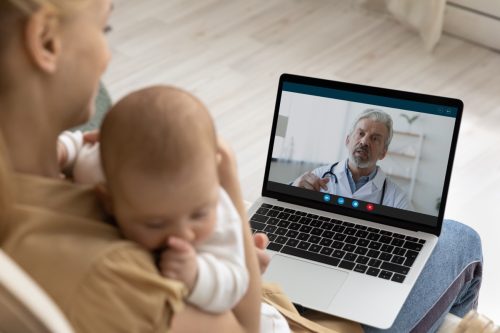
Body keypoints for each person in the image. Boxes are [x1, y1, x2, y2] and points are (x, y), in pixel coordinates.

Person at [0, 0, 485, 332]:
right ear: (45, 40)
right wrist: (229, 186)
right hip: (277, 315)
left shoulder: (46, 180)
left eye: (374, 139)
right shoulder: (109, 277)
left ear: (382, 151)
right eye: (103, 27)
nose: (106, 52)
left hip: (250, 282)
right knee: (462, 240)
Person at [57, 85, 291, 332]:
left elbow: (236, 284)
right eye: (156, 223)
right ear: (109, 200)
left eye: (199, 215)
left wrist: (197, 275)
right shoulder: (105, 172)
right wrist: (63, 150)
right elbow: (84, 144)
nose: (184, 234)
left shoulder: (221, 219)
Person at [292, 109, 411, 210]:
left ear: (383, 153)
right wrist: (293, 192)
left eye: (374, 139)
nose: (364, 142)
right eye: (361, 133)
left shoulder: (398, 199)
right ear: (347, 140)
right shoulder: (318, 176)